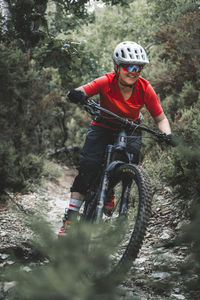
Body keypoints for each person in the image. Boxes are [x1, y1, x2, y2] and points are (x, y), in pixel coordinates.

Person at [58, 41, 171, 236]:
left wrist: (168, 135)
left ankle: (109, 190)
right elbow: (84, 90)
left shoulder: (145, 88)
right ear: (117, 67)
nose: (134, 71)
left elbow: (160, 118)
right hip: (103, 127)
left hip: (131, 129)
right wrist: (76, 94)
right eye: (128, 66)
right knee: (88, 168)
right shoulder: (106, 81)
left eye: (138, 67)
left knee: (129, 165)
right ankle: (71, 217)